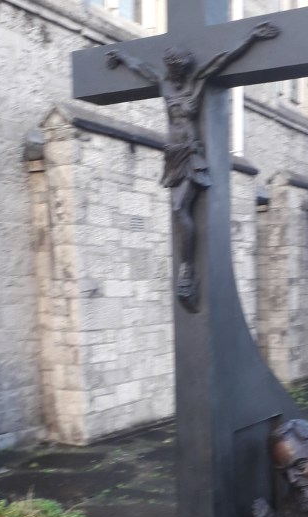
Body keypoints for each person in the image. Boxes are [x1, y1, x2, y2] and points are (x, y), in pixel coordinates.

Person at [106, 21, 279, 311]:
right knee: (177, 209)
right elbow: (140, 68)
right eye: (171, 69)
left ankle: (187, 268)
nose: (174, 74)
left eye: (177, 70)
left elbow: (222, 59)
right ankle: (186, 269)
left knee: (178, 208)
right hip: (172, 154)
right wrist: (122, 56)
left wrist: (251, 38)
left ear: (184, 69)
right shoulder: (164, 84)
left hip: (191, 154)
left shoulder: (196, 84)